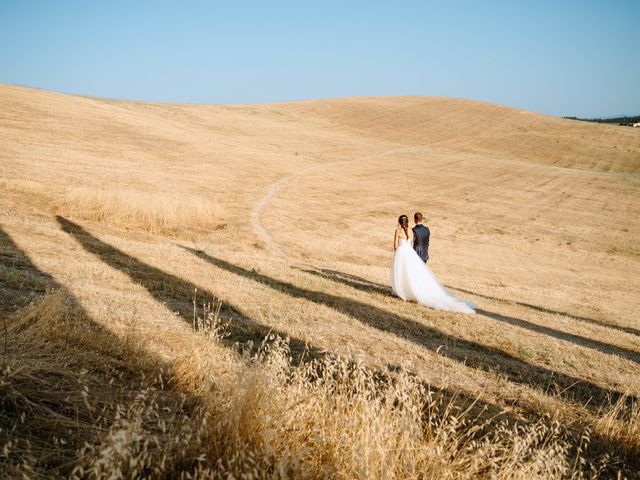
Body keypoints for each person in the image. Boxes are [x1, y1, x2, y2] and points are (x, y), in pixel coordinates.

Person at [390, 214, 475, 313]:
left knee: (401, 272)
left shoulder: (398, 231)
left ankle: (403, 291)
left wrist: (398, 251)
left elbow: (395, 245)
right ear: (407, 221)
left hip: (402, 252)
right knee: (412, 274)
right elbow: (412, 242)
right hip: (411, 253)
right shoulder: (412, 231)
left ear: (400, 222)